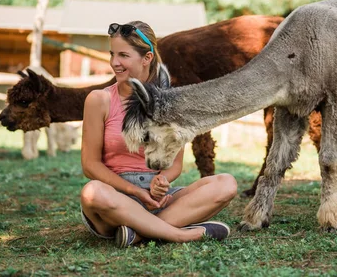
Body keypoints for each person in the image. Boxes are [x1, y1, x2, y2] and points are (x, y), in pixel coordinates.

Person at [80, 21, 238, 248]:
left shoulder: (173, 104)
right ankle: (181, 235)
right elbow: (90, 165)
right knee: (92, 192)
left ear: (147, 58)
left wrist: (162, 181)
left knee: (226, 184)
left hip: (157, 199)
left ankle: (138, 233)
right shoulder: (99, 100)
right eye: (112, 54)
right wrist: (134, 191)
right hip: (113, 198)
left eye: (124, 55)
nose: (115, 63)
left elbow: (174, 165)